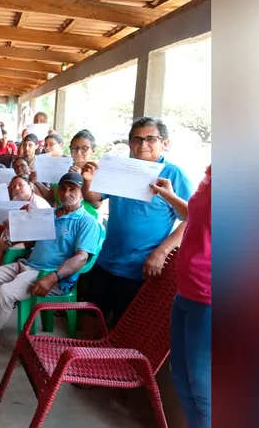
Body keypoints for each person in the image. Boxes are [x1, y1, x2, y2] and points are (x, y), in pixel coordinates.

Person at [0, 173, 100, 357]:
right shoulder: (48, 214)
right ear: (57, 191)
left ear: (81, 192)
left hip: (48, 274)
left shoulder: (87, 222)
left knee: (5, 292)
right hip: (28, 264)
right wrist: (19, 224)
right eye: (63, 188)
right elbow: (28, 244)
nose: (67, 192)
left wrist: (53, 277)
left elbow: (81, 257)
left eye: (72, 188)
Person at [79, 117, 192, 336]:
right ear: (130, 143)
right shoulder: (122, 167)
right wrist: (87, 180)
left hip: (140, 267)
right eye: (137, 139)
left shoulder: (174, 174)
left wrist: (162, 252)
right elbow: (94, 198)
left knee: (127, 327)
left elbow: (191, 218)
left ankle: (112, 368)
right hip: (107, 259)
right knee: (90, 315)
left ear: (165, 143)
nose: (143, 145)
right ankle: (86, 362)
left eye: (151, 138)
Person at [151, 165, 211, 428]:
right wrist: (170, 196)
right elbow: (198, 217)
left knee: (203, 386)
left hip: (210, 297)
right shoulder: (212, 173)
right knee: (182, 379)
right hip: (187, 289)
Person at [0, 175, 52, 270]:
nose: (16, 188)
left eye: (20, 185)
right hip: (18, 233)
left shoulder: (38, 205)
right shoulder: (16, 200)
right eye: (13, 187)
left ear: (30, 186)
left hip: (33, 240)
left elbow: (37, 232)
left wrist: (13, 225)